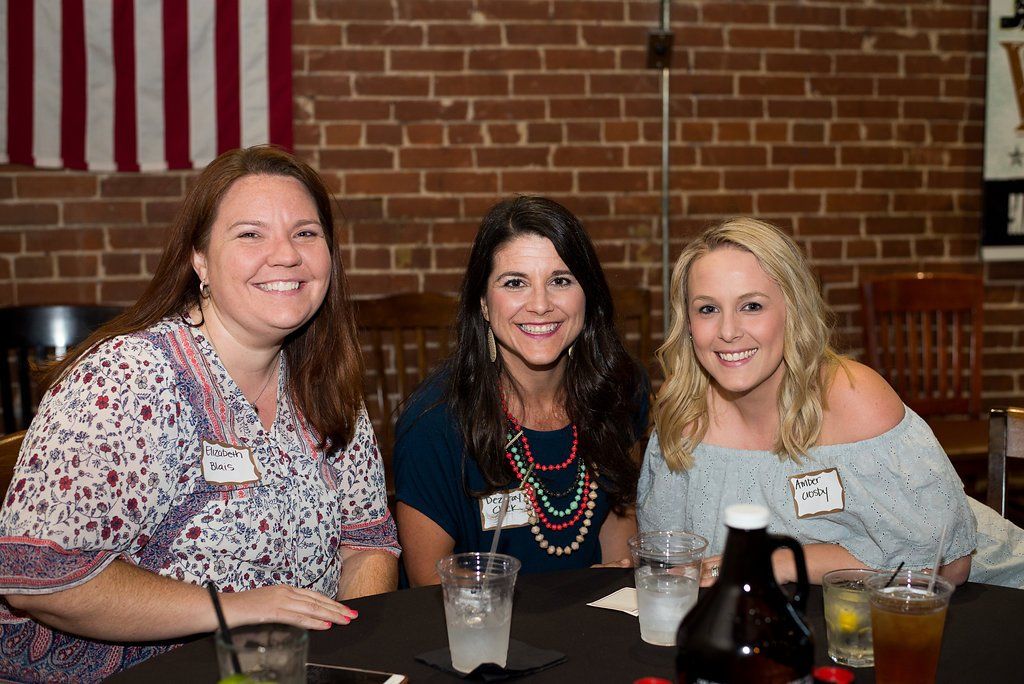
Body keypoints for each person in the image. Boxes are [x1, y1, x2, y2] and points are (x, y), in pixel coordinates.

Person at [0, 146, 399, 683]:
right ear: (200, 261)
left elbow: (366, 544)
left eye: (305, 233)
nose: (286, 255)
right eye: (250, 234)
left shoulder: (325, 381)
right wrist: (233, 609)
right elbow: (36, 579)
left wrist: (349, 661)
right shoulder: (129, 379)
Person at [638, 217, 977, 586]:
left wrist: (778, 563)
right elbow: (666, 560)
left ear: (793, 310)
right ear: (687, 323)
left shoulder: (854, 398)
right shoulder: (683, 410)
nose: (728, 331)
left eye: (752, 306)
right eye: (708, 309)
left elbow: (950, 565)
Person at [393, 196, 648, 586]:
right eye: (515, 283)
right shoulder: (434, 425)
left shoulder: (618, 391)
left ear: (588, 294)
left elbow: (617, 556)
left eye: (560, 281)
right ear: (483, 302)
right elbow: (429, 596)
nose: (540, 305)